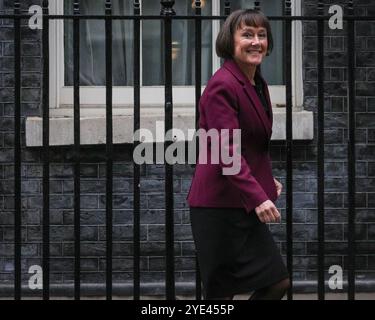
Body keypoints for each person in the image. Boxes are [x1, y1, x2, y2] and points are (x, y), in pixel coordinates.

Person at [186, 9, 290, 300]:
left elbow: (253, 144)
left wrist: (266, 180)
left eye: (261, 35)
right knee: (220, 295)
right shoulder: (223, 84)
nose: (256, 41)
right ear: (230, 43)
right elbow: (225, 150)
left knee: (277, 282)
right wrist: (258, 197)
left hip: (240, 204)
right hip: (219, 207)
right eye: (247, 35)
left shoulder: (257, 83)